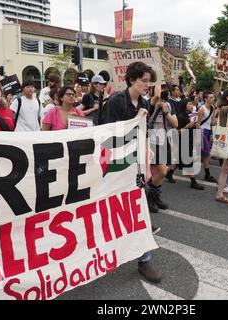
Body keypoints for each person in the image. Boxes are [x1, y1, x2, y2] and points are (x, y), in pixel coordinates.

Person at [101, 61, 162, 284]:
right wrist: (135, 121)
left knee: (138, 208)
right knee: (109, 209)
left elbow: (143, 134)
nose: (148, 85)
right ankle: (97, 254)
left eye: (149, 81)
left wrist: (146, 165)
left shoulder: (144, 102)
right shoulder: (116, 101)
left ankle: (144, 258)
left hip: (134, 162)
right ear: (132, 80)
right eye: (144, 81)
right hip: (115, 163)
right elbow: (109, 137)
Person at [173, 98, 205, 190]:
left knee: (179, 160)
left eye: (192, 104)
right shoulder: (180, 116)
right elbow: (178, 131)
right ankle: (193, 182)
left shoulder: (190, 115)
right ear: (184, 105)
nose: (192, 106)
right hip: (183, 140)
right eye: (189, 104)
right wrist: (187, 126)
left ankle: (169, 173)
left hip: (190, 139)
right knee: (188, 161)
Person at [197, 91, 219, 183]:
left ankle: (207, 174)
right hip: (202, 132)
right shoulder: (202, 109)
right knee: (203, 155)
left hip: (208, 131)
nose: (213, 99)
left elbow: (213, 122)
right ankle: (207, 175)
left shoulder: (213, 108)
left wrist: (217, 114)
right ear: (205, 99)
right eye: (210, 97)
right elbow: (198, 124)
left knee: (205, 155)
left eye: (213, 97)